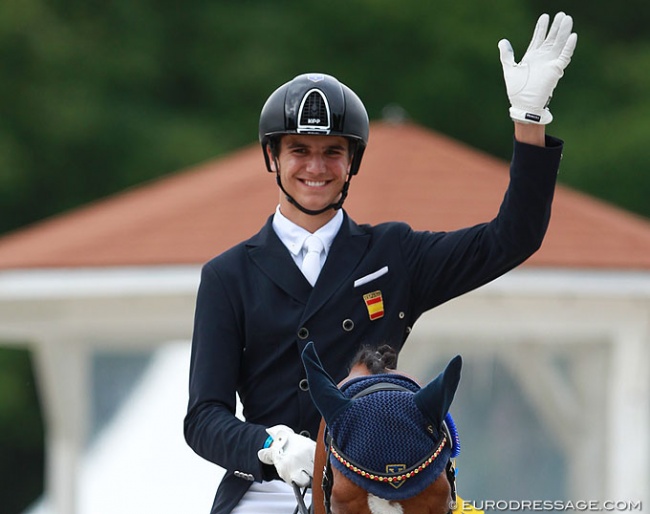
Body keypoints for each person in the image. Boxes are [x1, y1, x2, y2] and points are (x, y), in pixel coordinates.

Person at [184, 11, 577, 514]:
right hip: (271, 488)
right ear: (273, 158)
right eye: (299, 150)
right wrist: (271, 449)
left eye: (333, 152)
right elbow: (203, 418)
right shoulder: (227, 275)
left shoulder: (394, 253)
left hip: (383, 480)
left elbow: (511, 239)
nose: (316, 167)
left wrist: (529, 120)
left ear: (353, 162)